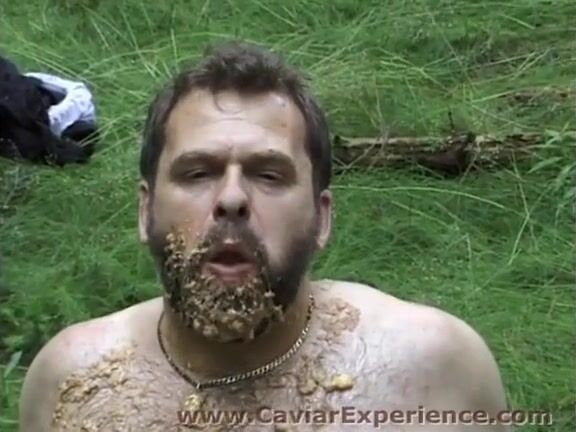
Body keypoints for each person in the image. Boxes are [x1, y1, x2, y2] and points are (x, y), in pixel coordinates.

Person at [18, 41, 510, 431]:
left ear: (322, 218)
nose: (232, 198)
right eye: (197, 173)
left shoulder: (435, 367)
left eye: (269, 175)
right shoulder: (70, 380)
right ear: (146, 211)